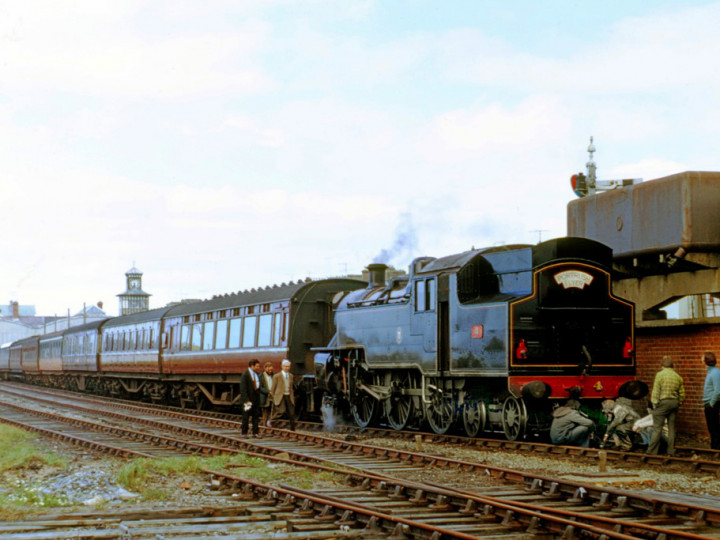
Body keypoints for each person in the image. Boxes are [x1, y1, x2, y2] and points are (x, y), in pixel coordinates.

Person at [647, 356, 685, 455]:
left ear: (662, 366)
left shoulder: (659, 375)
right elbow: (682, 394)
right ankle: (671, 450)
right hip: (674, 403)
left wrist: (655, 404)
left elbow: (656, 391)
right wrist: (679, 402)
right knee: (671, 427)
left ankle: (652, 451)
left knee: (657, 428)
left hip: (663, 402)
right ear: (672, 366)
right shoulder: (678, 376)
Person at [239, 359, 263, 438]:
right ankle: (244, 432)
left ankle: (255, 433)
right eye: (257, 366)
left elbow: (258, 386)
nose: (258, 368)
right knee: (246, 417)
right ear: (252, 366)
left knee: (256, 417)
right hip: (248, 400)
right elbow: (243, 389)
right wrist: (246, 400)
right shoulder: (245, 375)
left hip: (255, 399)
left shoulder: (256, 374)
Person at [270, 359, 296, 431]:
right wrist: (272, 396)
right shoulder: (277, 376)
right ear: (282, 367)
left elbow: (291, 387)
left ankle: (292, 429)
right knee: (281, 411)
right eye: (286, 366)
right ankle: (271, 421)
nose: (287, 368)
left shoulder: (291, 376)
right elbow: (273, 388)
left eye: (288, 366)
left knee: (292, 413)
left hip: (289, 396)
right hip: (280, 396)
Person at [703, 352, 720, 449]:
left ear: (706, 361)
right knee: (712, 426)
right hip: (709, 402)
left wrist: (712, 403)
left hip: (711, 403)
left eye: (702, 358)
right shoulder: (712, 372)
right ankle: (715, 446)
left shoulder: (715, 372)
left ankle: (716, 447)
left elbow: (718, 390)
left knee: (713, 426)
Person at [260, 362, 274, 427]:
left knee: (272, 411)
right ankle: (264, 425)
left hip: (272, 396)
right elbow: (260, 387)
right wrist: (268, 391)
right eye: (269, 370)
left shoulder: (273, 376)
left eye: (271, 370)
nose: (270, 371)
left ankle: (269, 424)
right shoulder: (261, 376)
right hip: (265, 396)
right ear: (265, 368)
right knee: (265, 412)